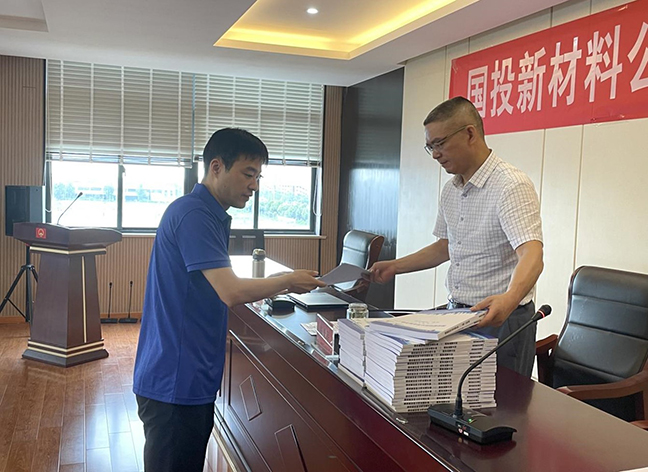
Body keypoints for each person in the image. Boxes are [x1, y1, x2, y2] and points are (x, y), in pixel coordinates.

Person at [133, 128, 325, 472]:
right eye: (248, 174)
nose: (254, 186)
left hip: (187, 374)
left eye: (258, 177)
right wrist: (287, 281)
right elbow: (231, 291)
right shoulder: (194, 214)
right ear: (217, 167)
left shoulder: (207, 213)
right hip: (175, 380)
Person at [370, 96, 543, 377]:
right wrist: (395, 266)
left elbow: (532, 254)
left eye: (440, 143)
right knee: (455, 397)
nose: (435, 154)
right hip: (458, 315)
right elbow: (444, 247)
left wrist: (509, 298)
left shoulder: (510, 185)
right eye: (430, 147)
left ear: (470, 134)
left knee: (500, 401)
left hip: (501, 318)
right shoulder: (452, 189)